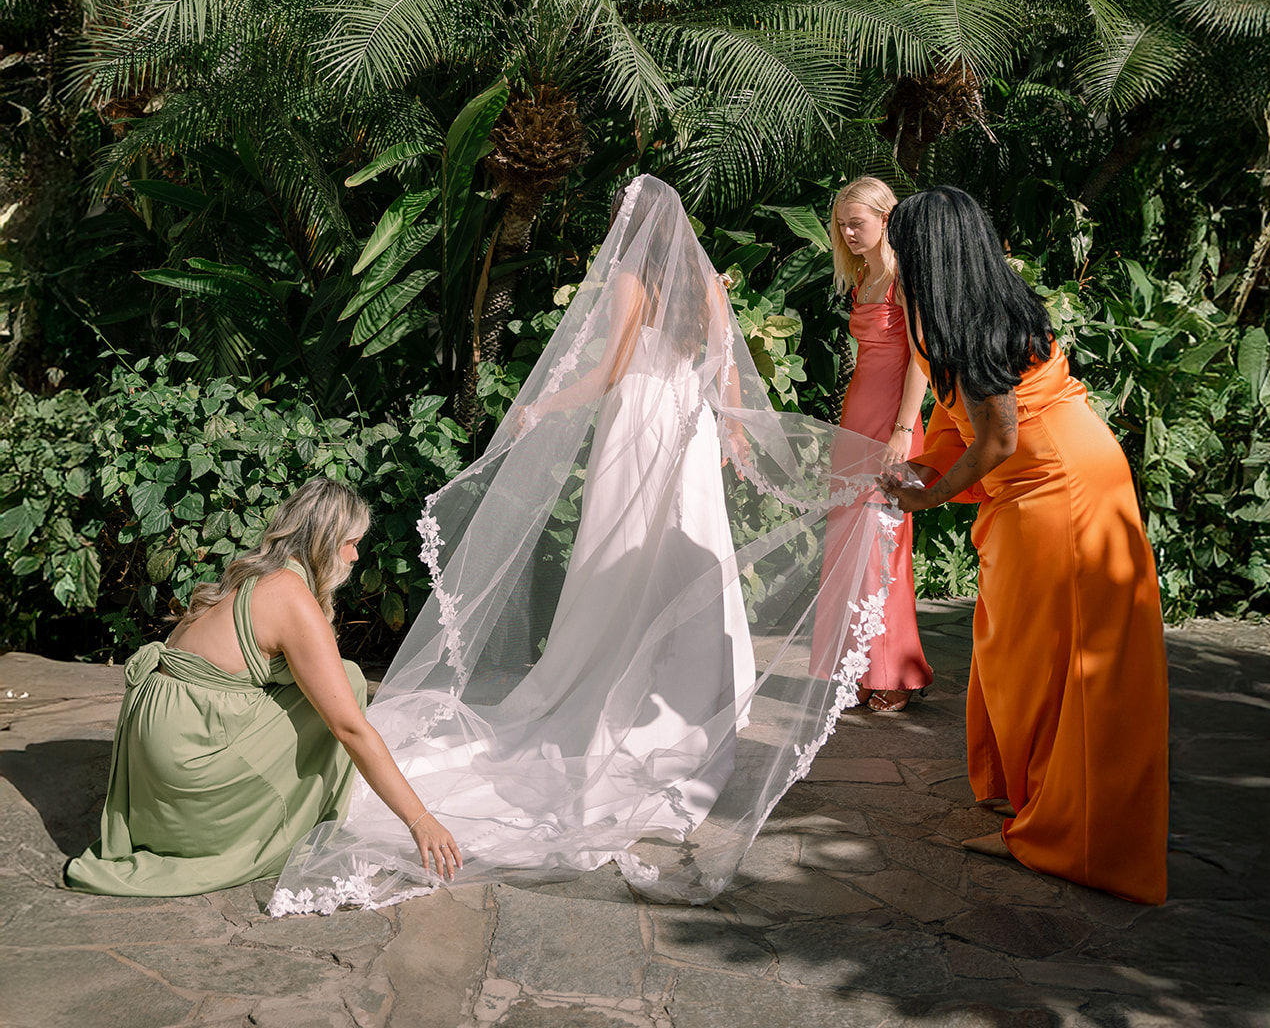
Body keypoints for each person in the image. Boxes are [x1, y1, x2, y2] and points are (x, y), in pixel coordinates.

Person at [270, 176, 897, 915]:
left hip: (637, 428)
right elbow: (728, 368)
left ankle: (614, 684)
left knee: (622, 566)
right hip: (689, 432)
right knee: (680, 560)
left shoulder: (635, 278)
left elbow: (606, 375)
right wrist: (728, 431)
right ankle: (703, 701)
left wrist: (541, 404)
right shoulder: (707, 281)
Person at [881, 187, 1169, 905]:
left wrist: (930, 494)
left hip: (1059, 490)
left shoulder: (969, 315)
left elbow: (1000, 436)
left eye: (901, 239)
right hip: (1048, 477)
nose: (894, 252)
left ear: (930, 250)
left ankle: (1066, 831)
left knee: (1059, 659)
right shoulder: (963, 302)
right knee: (1018, 648)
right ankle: (1033, 796)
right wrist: (921, 463)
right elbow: (966, 420)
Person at [66, 478, 461, 897]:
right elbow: (349, 729)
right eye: (350, 542)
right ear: (323, 542)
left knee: (331, 679)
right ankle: (277, 821)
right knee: (344, 683)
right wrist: (420, 820)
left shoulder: (252, 570)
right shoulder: (290, 596)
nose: (355, 555)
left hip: (161, 737)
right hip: (189, 758)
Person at [810, 177, 933, 711]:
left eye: (856, 222)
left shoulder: (906, 278)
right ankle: (857, 668)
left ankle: (895, 673)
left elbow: (921, 362)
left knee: (885, 545)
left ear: (887, 219)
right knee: (847, 544)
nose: (847, 232)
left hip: (892, 423)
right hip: (856, 419)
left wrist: (903, 432)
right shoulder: (862, 276)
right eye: (841, 224)